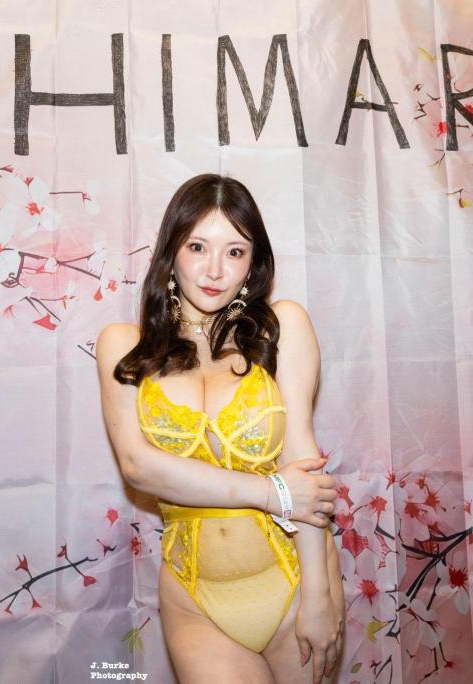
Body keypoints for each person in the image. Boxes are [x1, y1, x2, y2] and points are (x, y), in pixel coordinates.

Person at [96, 173, 346, 683]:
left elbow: (302, 467)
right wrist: (273, 492)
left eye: (235, 251)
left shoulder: (283, 327)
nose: (214, 270)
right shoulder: (124, 345)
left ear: (253, 263)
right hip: (196, 602)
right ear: (171, 252)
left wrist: (319, 597)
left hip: (295, 582)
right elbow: (137, 466)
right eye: (197, 247)